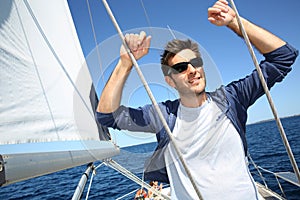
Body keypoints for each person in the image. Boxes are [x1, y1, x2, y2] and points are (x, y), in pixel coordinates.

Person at [96, 0, 298, 199]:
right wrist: (125, 64)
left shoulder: (231, 99)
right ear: (170, 81)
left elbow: (284, 57)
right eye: (181, 68)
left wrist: (235, 22)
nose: (191, 70)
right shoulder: (163, 117)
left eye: (195, 62)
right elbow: (107, 116)